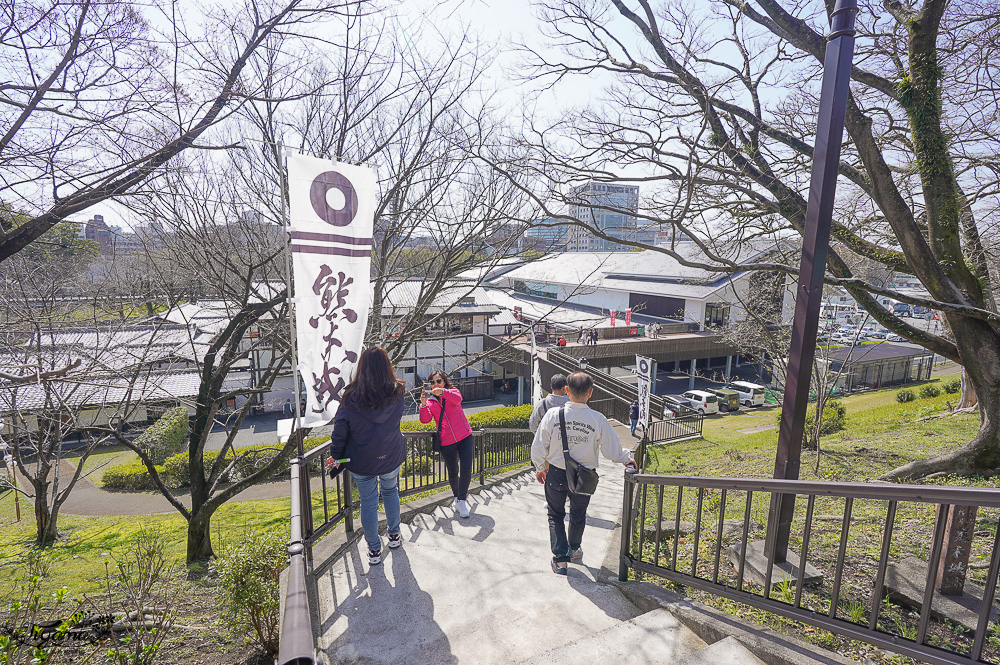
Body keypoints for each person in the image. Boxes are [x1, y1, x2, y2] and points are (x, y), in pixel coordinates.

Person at [531, 372, 636, 575]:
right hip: (585, 476)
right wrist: (626, 459)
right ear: (590, 393)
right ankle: (574, 549)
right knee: (578, 515)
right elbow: (612, 450)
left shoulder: (553, 415)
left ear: (567, 391)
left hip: (556, 474)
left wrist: (540, 468)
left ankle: (560, 561)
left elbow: (538, 447)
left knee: (555, 515)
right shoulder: (597, 419)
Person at [326, 347, 406, 565]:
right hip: (390, 454)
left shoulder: (351, 397)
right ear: (387, 366)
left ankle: (373, 551)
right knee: (391, 492)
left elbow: (340, 432)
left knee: (368, 502)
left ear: (361, 367)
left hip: (361, 460)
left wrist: (335, 456)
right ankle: (394, 535)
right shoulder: (398, 391)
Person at [419, 369, 474, 518]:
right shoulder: (430, 402)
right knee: (452, 471)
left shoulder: (452, 391)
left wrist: (442, 393)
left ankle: (462, 500)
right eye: (432, 382)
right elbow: (425, 420)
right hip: (447, 441)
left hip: (465, 436)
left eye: (438, 381)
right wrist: (423, 405)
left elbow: (457, 399)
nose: (435, 384)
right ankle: (457, 497)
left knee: (467, 468)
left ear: (444, 381)